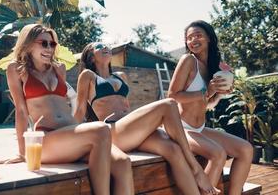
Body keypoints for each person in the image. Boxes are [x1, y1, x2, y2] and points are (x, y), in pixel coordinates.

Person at [75, 42, 220, 195]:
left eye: (106, 46)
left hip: (129, 131)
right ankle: (196, 169)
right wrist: (70, 138)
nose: (105, 47)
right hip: (112, 132)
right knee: (169, 104)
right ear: (91, 57)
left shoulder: (121, 76)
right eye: (99, 46)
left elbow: (126, 108)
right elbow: (79, 110)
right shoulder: (88, 76)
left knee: (173, 149)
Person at [5, 24, 112, 195]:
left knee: (121, 162)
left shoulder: (59, 68)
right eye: (44, 43)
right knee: (102, 129)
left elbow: (64, 102)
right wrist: (22, 152)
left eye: (52, 44)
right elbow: (21, 111)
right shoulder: (16, 69)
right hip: (47, 138)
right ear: (28, 43)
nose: (49, 48)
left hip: (70, 133)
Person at [168, 20, 253, 195]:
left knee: (246, 149)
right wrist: (207, 91)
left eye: (198, 35)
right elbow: (173, 96)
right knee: (218, 154)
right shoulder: (188, 60)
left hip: (199, 129)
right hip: (181, 128)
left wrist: (221, 93)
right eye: (189, 38)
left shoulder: (212, 67)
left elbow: (206, 104)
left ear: (209, 38)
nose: (193, 40)